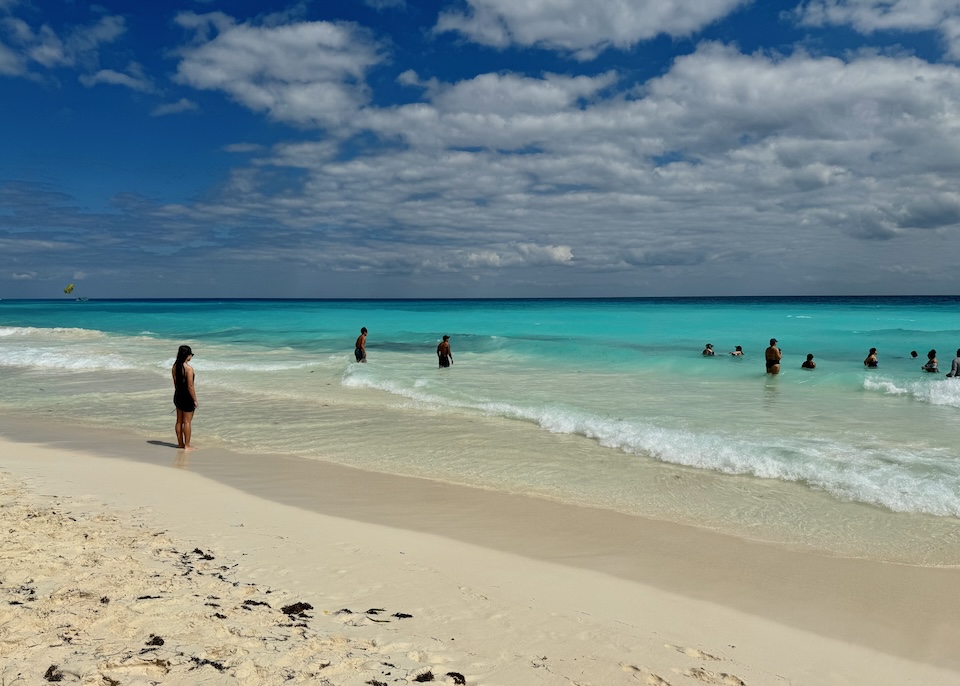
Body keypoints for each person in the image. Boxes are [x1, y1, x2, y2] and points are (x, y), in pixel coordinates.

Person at [172, 345, 198, 450]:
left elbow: (175, 383)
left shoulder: (175, 366)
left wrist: (178, 393)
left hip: (178, 395)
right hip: (187, 397)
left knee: (179, 421)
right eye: (191, 355)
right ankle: (187, 445)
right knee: (187, 422)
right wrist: (195, 400)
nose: (191, 357)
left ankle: (180, 443)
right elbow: (190, 386)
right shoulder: (188, 369)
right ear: (187, 355)